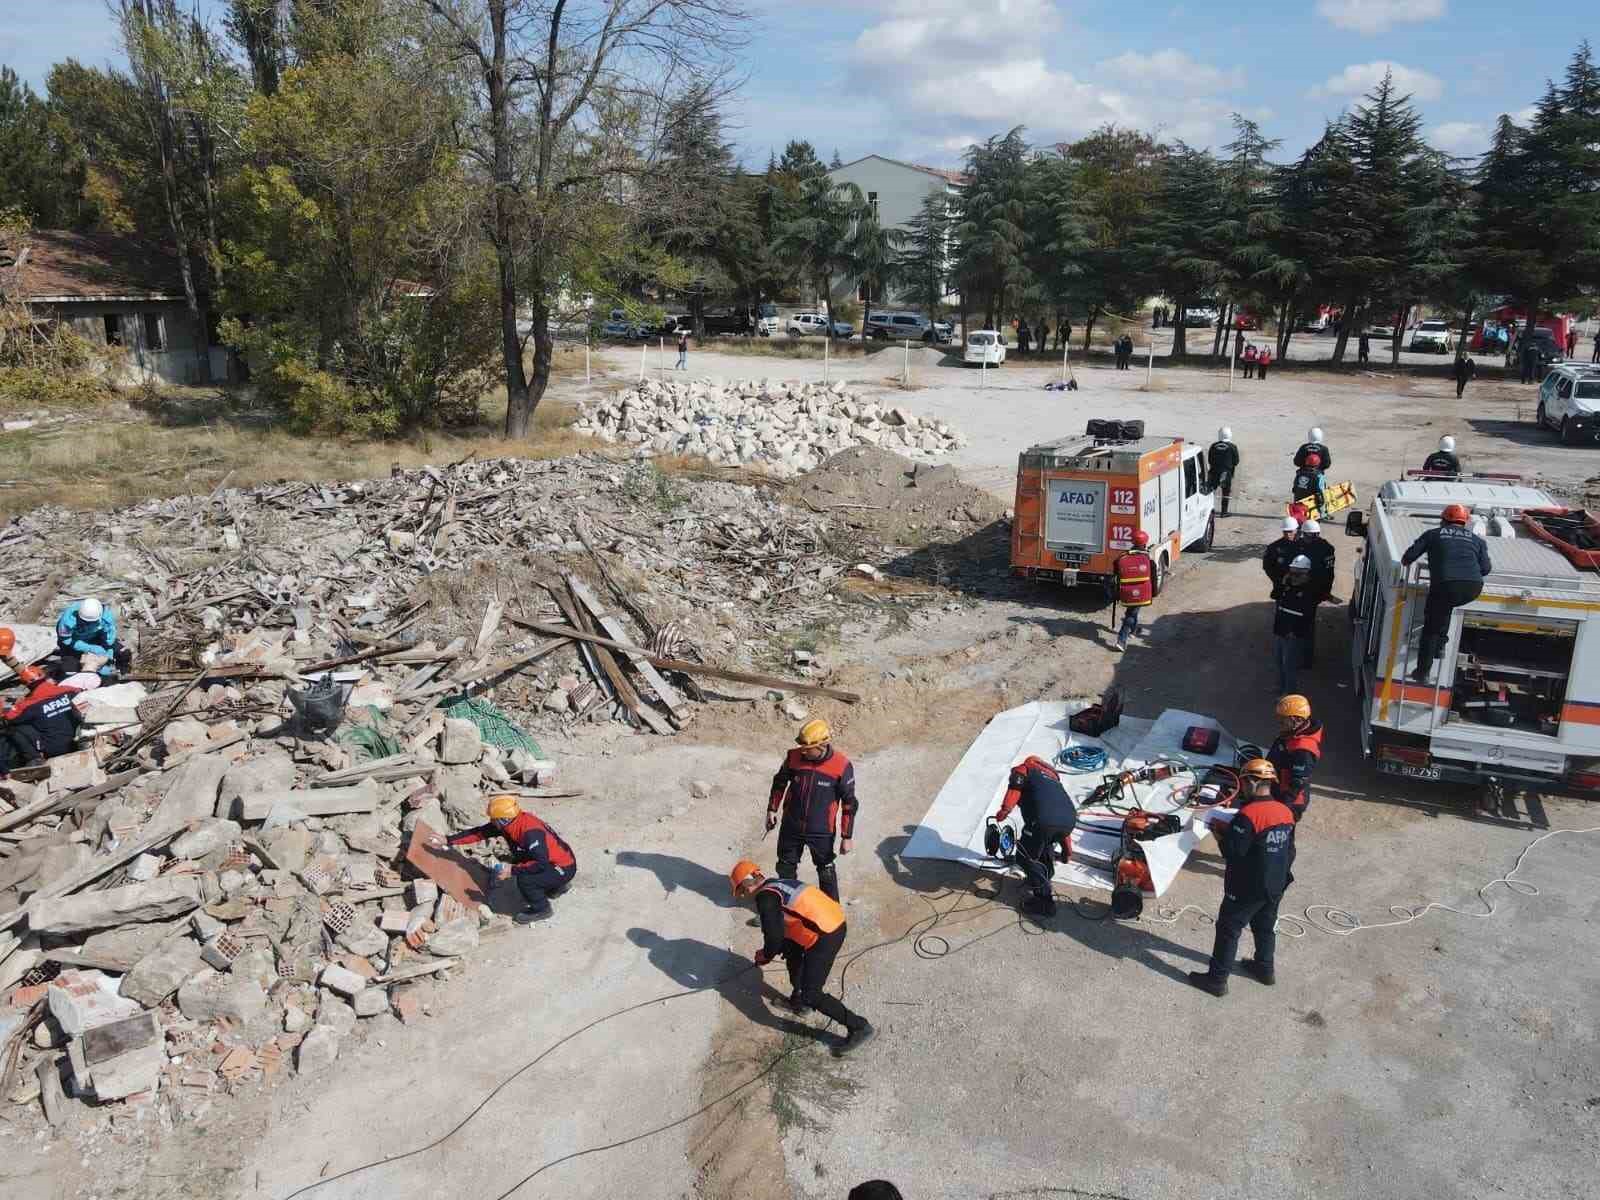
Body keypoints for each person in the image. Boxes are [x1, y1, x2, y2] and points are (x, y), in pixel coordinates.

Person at [730, 859, 875, 1056]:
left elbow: (772, 938)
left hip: (826, 935)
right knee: (790, 949)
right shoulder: (777, 884)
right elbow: (787, 923)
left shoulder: (765, 898)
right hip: (832, 921)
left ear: (746, 886)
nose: (743, 897)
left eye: (741, 892)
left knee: (812, 993)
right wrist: (780, 945)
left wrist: (765, 955)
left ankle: (859, 1027)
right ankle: (798, 1001)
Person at [1187, 758, 1296, 997]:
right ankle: (1264, 969)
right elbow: (1290, 851)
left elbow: (1232, 852)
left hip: (1247, 886)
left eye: (1244, 782)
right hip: (1276, 883)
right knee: (1265, 926)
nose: (1243, 788)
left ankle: (1216, 980)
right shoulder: (1285, 812)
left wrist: (1218, 834)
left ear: (1253, 782)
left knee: (1229, 928)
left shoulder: (1248, 815)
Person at [437, 795, 576, 923]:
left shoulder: (530, 833)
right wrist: (448, 840)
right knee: (521, 860)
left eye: (493, 818)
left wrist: (512, 870)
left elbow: (541, 863)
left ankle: (542, 909)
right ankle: (555, 886)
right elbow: (478, 833)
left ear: (502, 819)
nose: (491, 821)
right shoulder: (511, 823)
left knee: (525, 879)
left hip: (563, 867)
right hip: (556, 862)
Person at [767, 719, 858, 902]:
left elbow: (849, 803)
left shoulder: (841, 765)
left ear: (822, 745)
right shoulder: (793, 757)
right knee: (785, 868)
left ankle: (832, 914)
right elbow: (779, 783)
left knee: (825, 870)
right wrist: (772, 809)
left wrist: (846, 837)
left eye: (807, 748)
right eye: (801, 746)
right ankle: (785, 909)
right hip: (791, 825)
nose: (803, 751)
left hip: (821, 830)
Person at [1401, 503, 1491, 682]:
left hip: (1445, 585)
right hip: (1473, 588)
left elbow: (1408, 558)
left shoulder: (1432, 534)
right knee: (1446, 606)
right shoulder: (1478, 540)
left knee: (1431, 629)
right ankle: (1441, 646)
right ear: (1465, 523)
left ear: (1443, 520)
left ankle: (1422, 672)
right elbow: (1486, 569)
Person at [990, 754, 1077, 917]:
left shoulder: (1025, 769)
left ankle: (1044, 902)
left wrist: (1005, 809)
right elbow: (1061, 824)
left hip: (1042, 821)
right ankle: (1042, 878)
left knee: (1025, 856)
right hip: (1069, 821)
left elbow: (1014, 789)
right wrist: (1067, 852)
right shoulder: (1054, 781)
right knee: (1045, 844)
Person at [0, 665, 98, 774]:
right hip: (79, 739)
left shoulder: (28, 705)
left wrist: (6, 704)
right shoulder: (70, 691)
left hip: (54, 749)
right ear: (45, 677)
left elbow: (8, 718)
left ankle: (34, 758)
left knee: (13, 728)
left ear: (26, 685)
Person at [1266, 694, 1323, 823]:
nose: (1279, 722)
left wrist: (1283, 809)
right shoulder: (1292, 734)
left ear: (1296, 719)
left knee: (1279, 838)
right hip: (1278, 792)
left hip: (1289, 802)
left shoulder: (1303, 749)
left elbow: (1297, 784)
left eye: (1282, 719)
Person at [1273, 556, 1316, 695]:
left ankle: (1289, 694)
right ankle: (1280, 688)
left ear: (1305, 574)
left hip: (1292, 635)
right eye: (1292, 572)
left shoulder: (1309, 592)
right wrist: (1282, 584)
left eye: (1296, 573)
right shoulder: (1288, 586)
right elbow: (1274, 595)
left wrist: (1294, 633)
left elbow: (1307, 619)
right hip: (1280, 631)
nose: (1293, 576)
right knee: (1279, 663)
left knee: (1289, 666)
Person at [55, 598, 130, 678]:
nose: (88, 624)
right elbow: (66, 641)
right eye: (85, 621)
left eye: (92, 622)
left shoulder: (106, 616)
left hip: (95, 637)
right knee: (69, 671)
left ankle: (123, 674)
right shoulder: (68, 620)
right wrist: (89, 648)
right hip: (74, 643)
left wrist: (108, 649)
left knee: (123, 652)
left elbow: (109, 636)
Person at [1297, 519, 1336, 665]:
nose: (1310, 539)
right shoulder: (1325, 548)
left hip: (1311, 592)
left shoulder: (1325, 549)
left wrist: (1325, 592)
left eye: (1312, 536)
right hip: (1304, 590)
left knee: (1306, 626)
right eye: (1309, 536)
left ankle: (1305, 658)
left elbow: (1329, 573)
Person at [1112, 529, 1155, 651]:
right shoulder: (1148, 558)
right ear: (1145, 543)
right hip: (1141, 591)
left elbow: (1115, 571)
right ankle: (1121, 640)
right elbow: (1153, 578)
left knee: (1133, 610)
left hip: (1125, 591)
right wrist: (1153, 593)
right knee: (1130, 614)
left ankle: (1134, 629)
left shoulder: (1123, 556)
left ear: (1133, 542)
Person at [1262, 516, 1301, 598]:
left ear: (1297, 529)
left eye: (1290, 531)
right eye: (1285, 531)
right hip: (1282, 586)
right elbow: (1267, 566)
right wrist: (1279, 581)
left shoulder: (1306, 546)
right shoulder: (1274, 547)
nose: (1287, 534)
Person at [1207, 427, 1240, 517]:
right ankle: (1223, 512)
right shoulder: (1233, 446)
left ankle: (1209, 511)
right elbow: (1236, 461)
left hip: (1214, 472)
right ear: (1230, 435)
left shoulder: (1213, 446)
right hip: (1226, 473)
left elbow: (1210, 459)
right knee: (1225, 492)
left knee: (1210, 491)